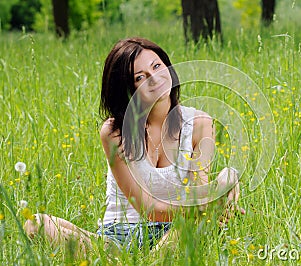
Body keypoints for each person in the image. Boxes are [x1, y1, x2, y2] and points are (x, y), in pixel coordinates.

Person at [24, 37, 243, 253]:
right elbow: (148, 210)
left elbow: (199, 196)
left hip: (174, 232)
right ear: (127, 89)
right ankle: (123, 259)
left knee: (201, 215)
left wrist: (228, 181)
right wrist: (206, 207)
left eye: (157, 66)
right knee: (34, 223)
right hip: (118, 236)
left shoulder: (199, 124)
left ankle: (147, 259)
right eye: (140, 77)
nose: (155, 78)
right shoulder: (115, 132)